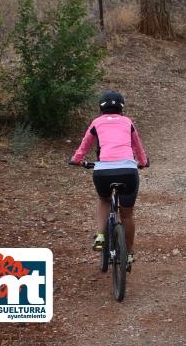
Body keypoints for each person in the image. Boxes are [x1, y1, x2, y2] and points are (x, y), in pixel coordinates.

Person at [70, 90, 149, 269]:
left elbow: (84, 145)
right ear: (121, 108)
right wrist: (143, 162)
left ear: (101, 108)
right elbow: (138, 146)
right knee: (127, 214)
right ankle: (128, 254)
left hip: (103, 173)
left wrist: (76, 160)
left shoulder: (96, 123)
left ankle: (100, 236)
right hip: (128, 171)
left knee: (104, 199)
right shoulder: (128, 122)